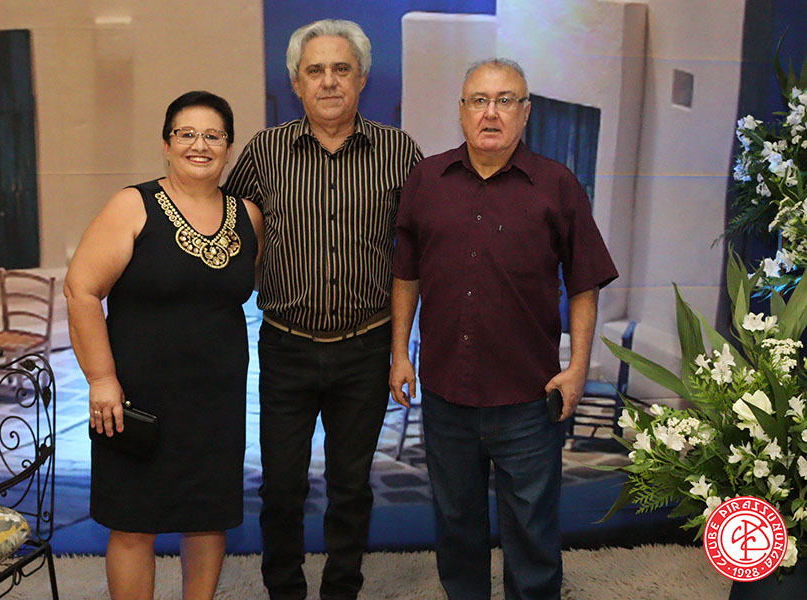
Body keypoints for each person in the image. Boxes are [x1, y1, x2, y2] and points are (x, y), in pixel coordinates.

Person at [389, 59, 618, 600]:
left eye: (505, 100)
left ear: (526, 112)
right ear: (462, 111)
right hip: (446, 394)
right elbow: (406, 272)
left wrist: (577, 368)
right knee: (456, 525)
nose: (490, 113)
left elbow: (584, 282)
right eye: (479, 100)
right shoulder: (427, 179)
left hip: (528, 398)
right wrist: (400, 353)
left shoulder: (558, 185)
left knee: (532, 531)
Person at [223, 18, 422, 600]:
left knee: (351, 487)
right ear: (295, 82)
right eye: (315, 70)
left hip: (366, 348)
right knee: (281, 488)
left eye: (341, 69)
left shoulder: (400, 153)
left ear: (361, 78)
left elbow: (413, 256)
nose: (329, 81)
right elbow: (230, 234)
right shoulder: (265, 152)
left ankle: (341, 589)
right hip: (285, 347)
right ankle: (284, 590)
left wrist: (400, 351)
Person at [64, 90, 263, 600]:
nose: (200, 145)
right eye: (186, 134)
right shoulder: (133, 205)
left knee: (208, 517)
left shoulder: (248, 216)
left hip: (216, 400)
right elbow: (81, 290)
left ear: (229, 148)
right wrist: (101, 380)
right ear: (167, 144)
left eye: (213, 135)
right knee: (134, 523)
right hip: (135, 400)